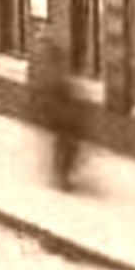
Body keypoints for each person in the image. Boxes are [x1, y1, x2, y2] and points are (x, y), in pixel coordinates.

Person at [30, 35, 82, 191]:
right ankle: (60, 176)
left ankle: (60, 174)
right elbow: (47, 89)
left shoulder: (44, 66)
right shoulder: (46, 69)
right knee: (65, 142)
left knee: (65, 142)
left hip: (57, 109)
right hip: (54, 110)